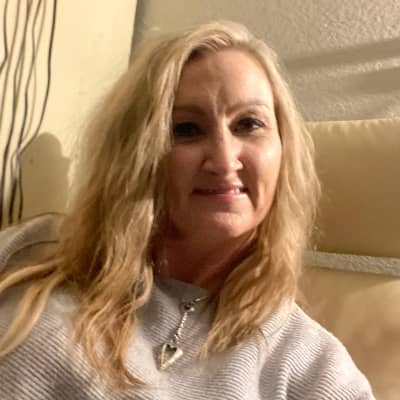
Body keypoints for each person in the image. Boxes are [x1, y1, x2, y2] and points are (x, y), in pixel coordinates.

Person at [0, 20, 376, 399]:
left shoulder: (316, 369)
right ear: (137, 154)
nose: (224, 160)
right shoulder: (33, 249)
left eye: (248, 124)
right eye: (186, 129)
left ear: (284, 149)